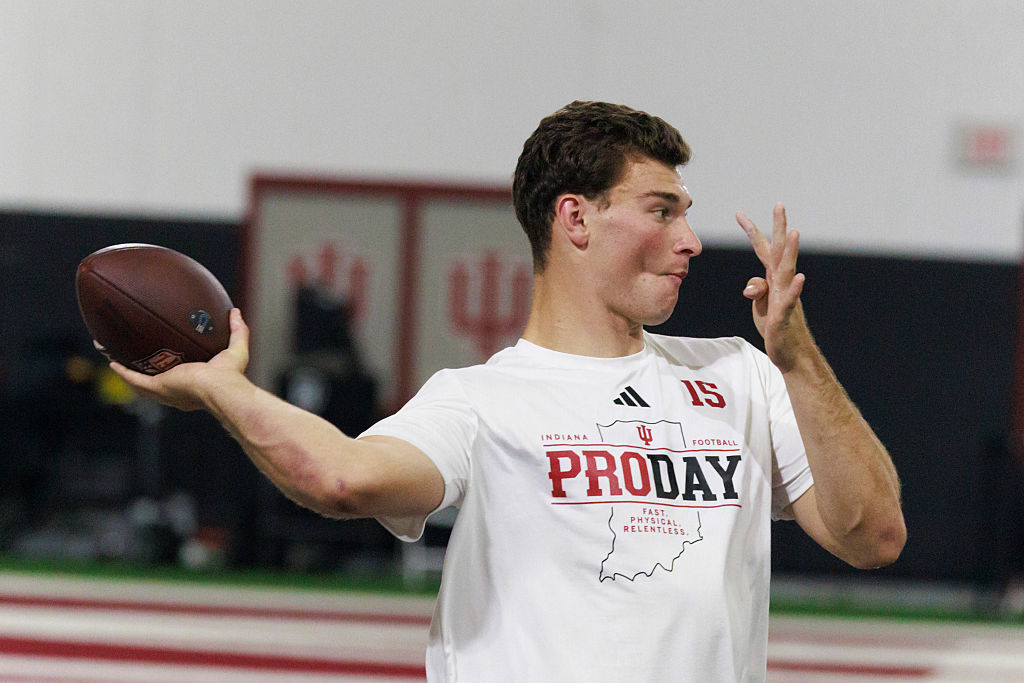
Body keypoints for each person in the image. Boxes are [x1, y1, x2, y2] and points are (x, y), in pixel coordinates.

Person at [111, 100, 906, 682]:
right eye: (661, 211)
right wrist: (221, 388)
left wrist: (797, 358)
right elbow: (341, 477)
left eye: (685, 215)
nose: (691, 240)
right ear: (576, 219)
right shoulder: (480, 400)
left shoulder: (740, 373)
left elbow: (872, 535)